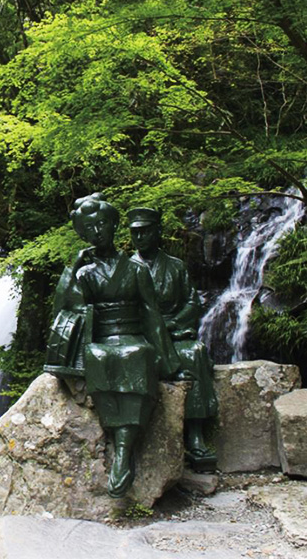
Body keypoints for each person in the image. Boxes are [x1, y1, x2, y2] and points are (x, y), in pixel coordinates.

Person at [48, 193, 183, 497]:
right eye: (89, 228)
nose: (98, 233)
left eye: (102, 225)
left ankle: (123, 450)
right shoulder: (84, 272)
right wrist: (72, 268)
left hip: (133, 336)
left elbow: (151, 314)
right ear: (83, 234)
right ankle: (119, 439)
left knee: (137, 354)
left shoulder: (136, 269)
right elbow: (64, 308)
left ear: (112, 225)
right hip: (102, 337)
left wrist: (168, 360)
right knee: (98, 356)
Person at [128, 207, 218, 471]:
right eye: (135, 232)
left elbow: (192, 302)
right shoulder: (126, 268)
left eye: (145, 231)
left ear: (158, 232)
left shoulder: (176, 267)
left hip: (174, 334)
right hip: (142, 336)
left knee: (194, 353)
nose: (140, 237)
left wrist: (173, 324)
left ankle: (196, 435)